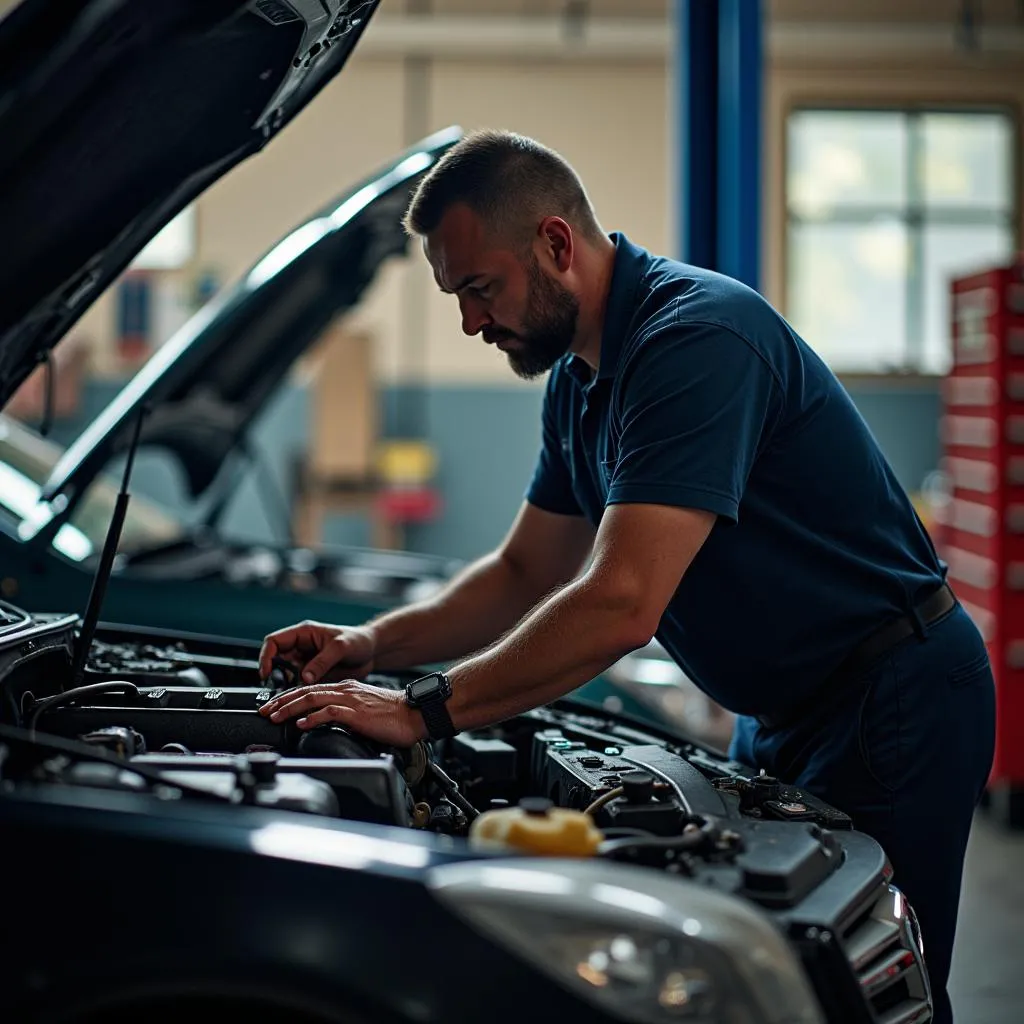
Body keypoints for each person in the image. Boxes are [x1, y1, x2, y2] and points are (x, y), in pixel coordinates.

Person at [258, 129, 994, 1022]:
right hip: (782, 714)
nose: (471, 323)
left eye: (479, 289)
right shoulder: (579, 380)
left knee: (863, 1005)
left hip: (894, 698)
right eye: (456, 298)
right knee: (767, 988)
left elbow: (619, 603)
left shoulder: (697, 341)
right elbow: (527, 568)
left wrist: (422, 708)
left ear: (556, 245)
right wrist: (371, 644)